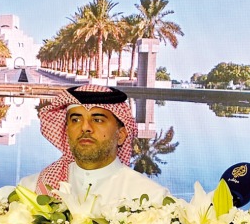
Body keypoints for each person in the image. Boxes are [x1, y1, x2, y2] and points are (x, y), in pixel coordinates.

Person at [19, 85, 169, 208]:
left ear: (121, 135)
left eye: (97, 120)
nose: (85, 127)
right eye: (76, 120)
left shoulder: (151, 199)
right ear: (66, 131)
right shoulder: (32, 189)